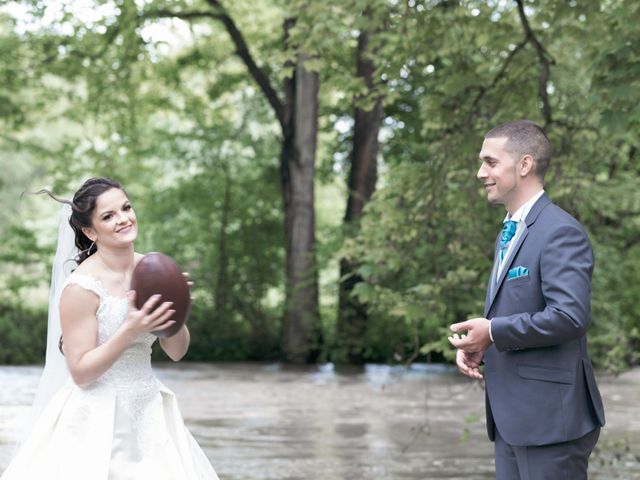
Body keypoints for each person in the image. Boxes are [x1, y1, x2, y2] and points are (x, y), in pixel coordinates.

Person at [1, 177, 219, 479]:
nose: (123, 219)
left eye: (126, 208)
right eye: (108, 215)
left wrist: (177, 311)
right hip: (97, 417)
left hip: (150, 411)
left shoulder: (154, 270)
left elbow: (177, 352)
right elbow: (80, 372)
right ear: (90, 231)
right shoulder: (81, 288)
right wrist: (129, 331)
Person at [447, 120, 605, 479]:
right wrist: (483, 343)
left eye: (490, 162)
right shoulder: (510, 230)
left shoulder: (560, 231)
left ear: (524, 165)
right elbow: (519, 313)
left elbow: (570, 316)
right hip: (512, 419)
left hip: (551, 422)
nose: (479, 172)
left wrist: (494, 331)